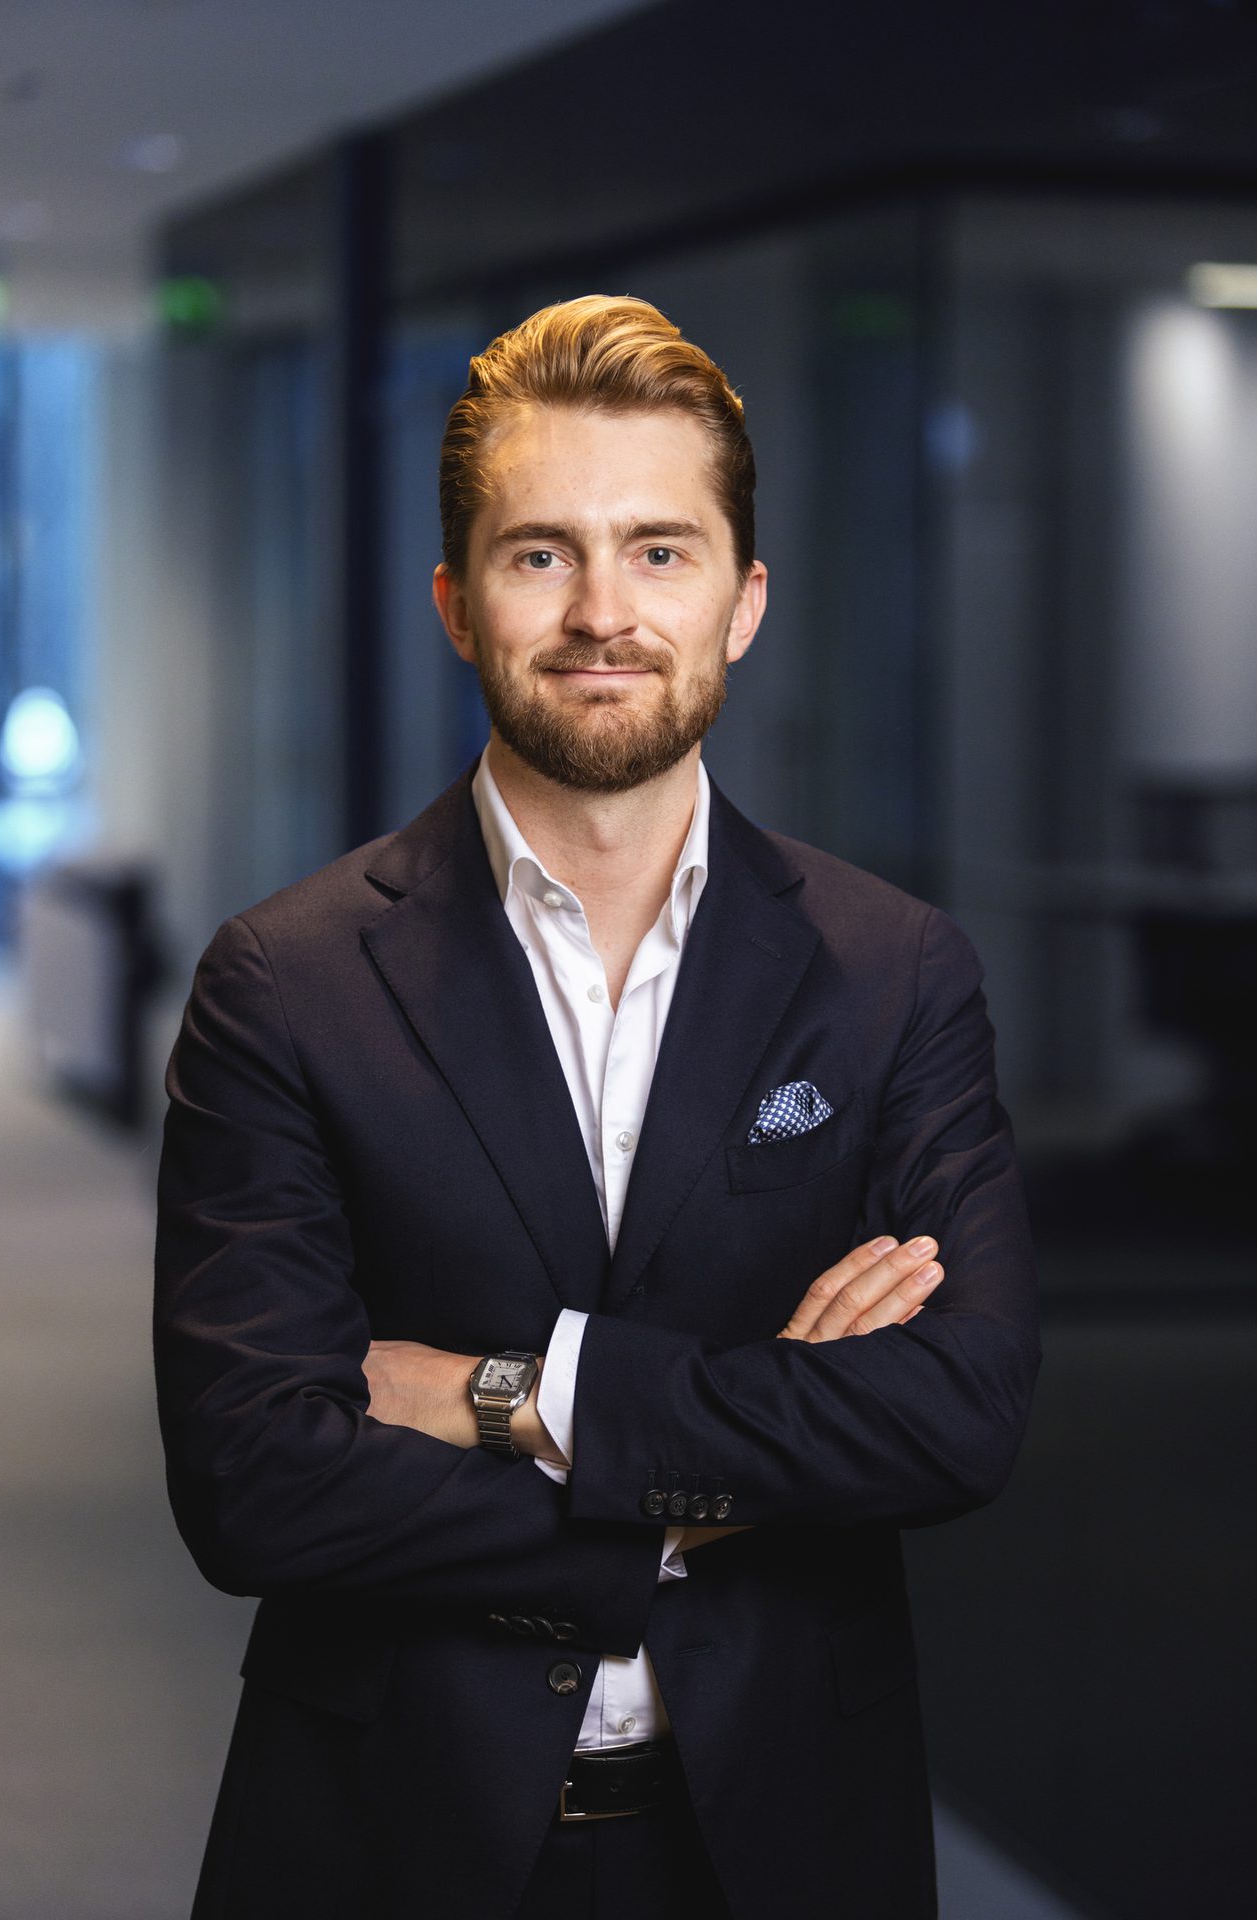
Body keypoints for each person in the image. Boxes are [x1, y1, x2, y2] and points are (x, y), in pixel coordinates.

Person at [154, 294, 1040, 1920]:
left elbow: (955, 1411)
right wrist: (698, 1502)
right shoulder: (283, 981)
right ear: (456, 601)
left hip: (789, 1831)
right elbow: (252, 1478)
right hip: (384, 1832)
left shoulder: (892, 971)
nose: (602, 613)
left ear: (745, 599)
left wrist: (512, 1393)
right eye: (541, 553)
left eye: (660, 551)